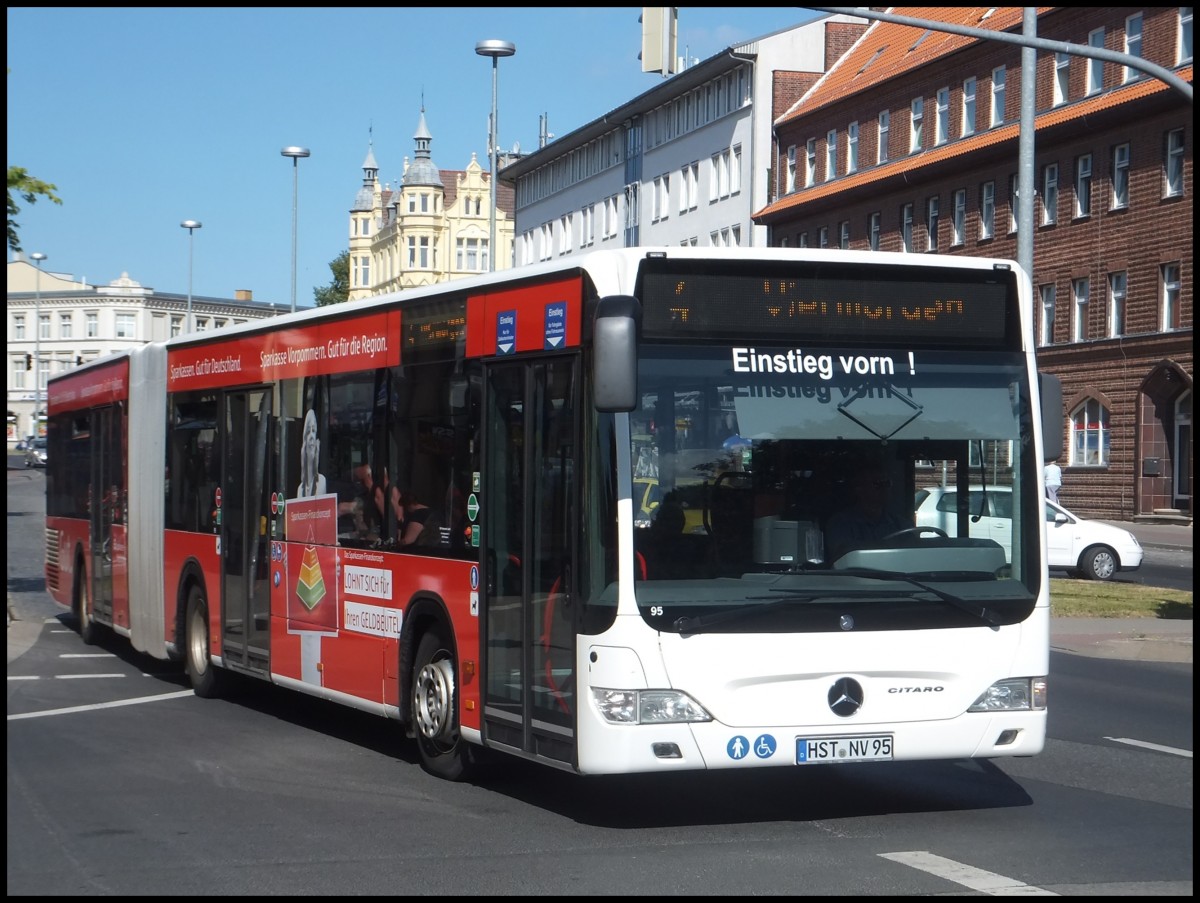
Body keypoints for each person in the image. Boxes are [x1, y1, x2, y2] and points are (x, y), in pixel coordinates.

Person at [824, 465, 908, 562]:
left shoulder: (900, 524)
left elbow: (914, 552)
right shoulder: (840, 524)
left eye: (887, 483)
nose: (884, 488)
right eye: (877, 484)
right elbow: (841, 556)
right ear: (859, 489)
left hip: (898, 576)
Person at [295, 409, 327, 497]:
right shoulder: (300, 489)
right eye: (308, 432)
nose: (312, 436)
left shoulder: (322, 481)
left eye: (314, 431)